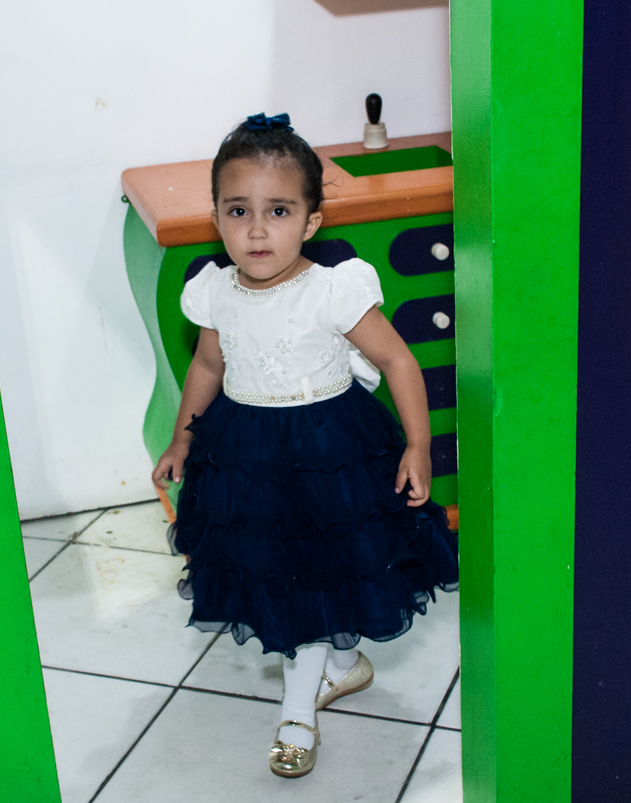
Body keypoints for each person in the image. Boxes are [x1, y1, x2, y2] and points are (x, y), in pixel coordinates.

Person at [151, 113, 459, 778]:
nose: (257, 229)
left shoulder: (332, 289)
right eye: (239, 210)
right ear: (216, 216)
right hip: (249, 453)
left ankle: (299, 707)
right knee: (287, 568)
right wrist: (181, 438)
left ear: (311, 221)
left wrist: (418, 446)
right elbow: (207, 368)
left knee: (319, 570)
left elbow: (401, 362)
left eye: (279, 210)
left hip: (330, 451)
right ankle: (341, 665)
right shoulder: (216, 294)